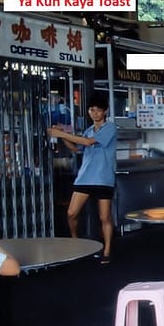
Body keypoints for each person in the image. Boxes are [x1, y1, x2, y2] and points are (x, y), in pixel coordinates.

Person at [48, 94, 117, 263]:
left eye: (98, 110)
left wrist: (59, 132)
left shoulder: (110, 128)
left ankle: (107, 251)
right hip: (85, 178)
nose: (94, 113)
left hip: (103, 179)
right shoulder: (88, 130)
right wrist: (62, 135)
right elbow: (75, 148)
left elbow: (87, 143)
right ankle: (75, 242)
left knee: (104, 217)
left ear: (105, 111)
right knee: (71, 213)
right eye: (91, 110)